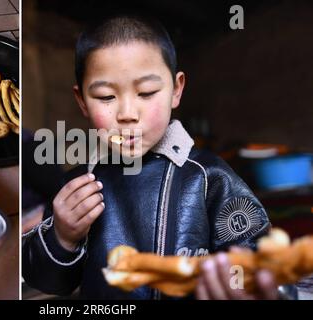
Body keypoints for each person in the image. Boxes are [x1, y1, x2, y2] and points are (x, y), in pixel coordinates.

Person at [22, 14, 291, 300]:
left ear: (176, 90)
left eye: (146, 92)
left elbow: (257, 257)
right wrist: (63, 237)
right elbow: (49, 282)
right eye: (105, 97)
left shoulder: (208, 177)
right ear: (82, 102)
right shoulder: (76, 187)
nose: (127, 113)